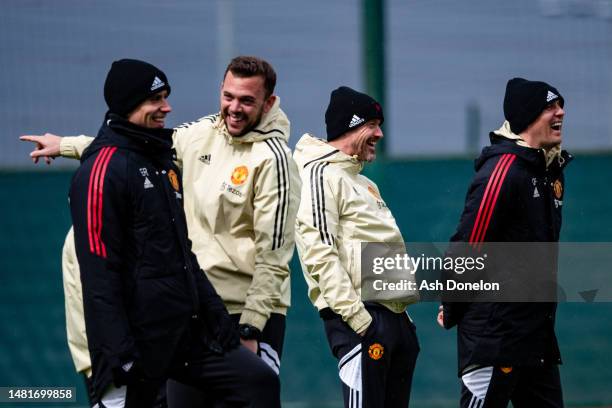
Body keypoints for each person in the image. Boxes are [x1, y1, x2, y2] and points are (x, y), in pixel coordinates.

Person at [21, 56, 299, 405]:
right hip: (195, 314)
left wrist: (251, 327)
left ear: (269, 103)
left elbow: (274, 256)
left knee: (255, 384)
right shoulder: (197, 135)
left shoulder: (274, 159)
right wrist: (67, 145)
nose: (234, 108)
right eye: (228, 96)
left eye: (247, 100)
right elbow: (128, 147)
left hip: (246, 313)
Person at [437, 77, 571, 408]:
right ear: (527, 117)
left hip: (535, 340)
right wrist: (451, 305)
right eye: (550, 107)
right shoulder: (503, 171)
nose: (561, 113)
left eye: (561, 105)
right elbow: (467, 247)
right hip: (495, 339)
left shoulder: (548, 171)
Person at [293, 86, 420, 408]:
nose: (380, 133)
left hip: (393, 318)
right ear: (350, 126)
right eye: (372, 125)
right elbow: (318, 252)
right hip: (361, 319)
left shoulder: (364, 183)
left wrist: (402, 320)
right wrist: (359, 320)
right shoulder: (319, 174)